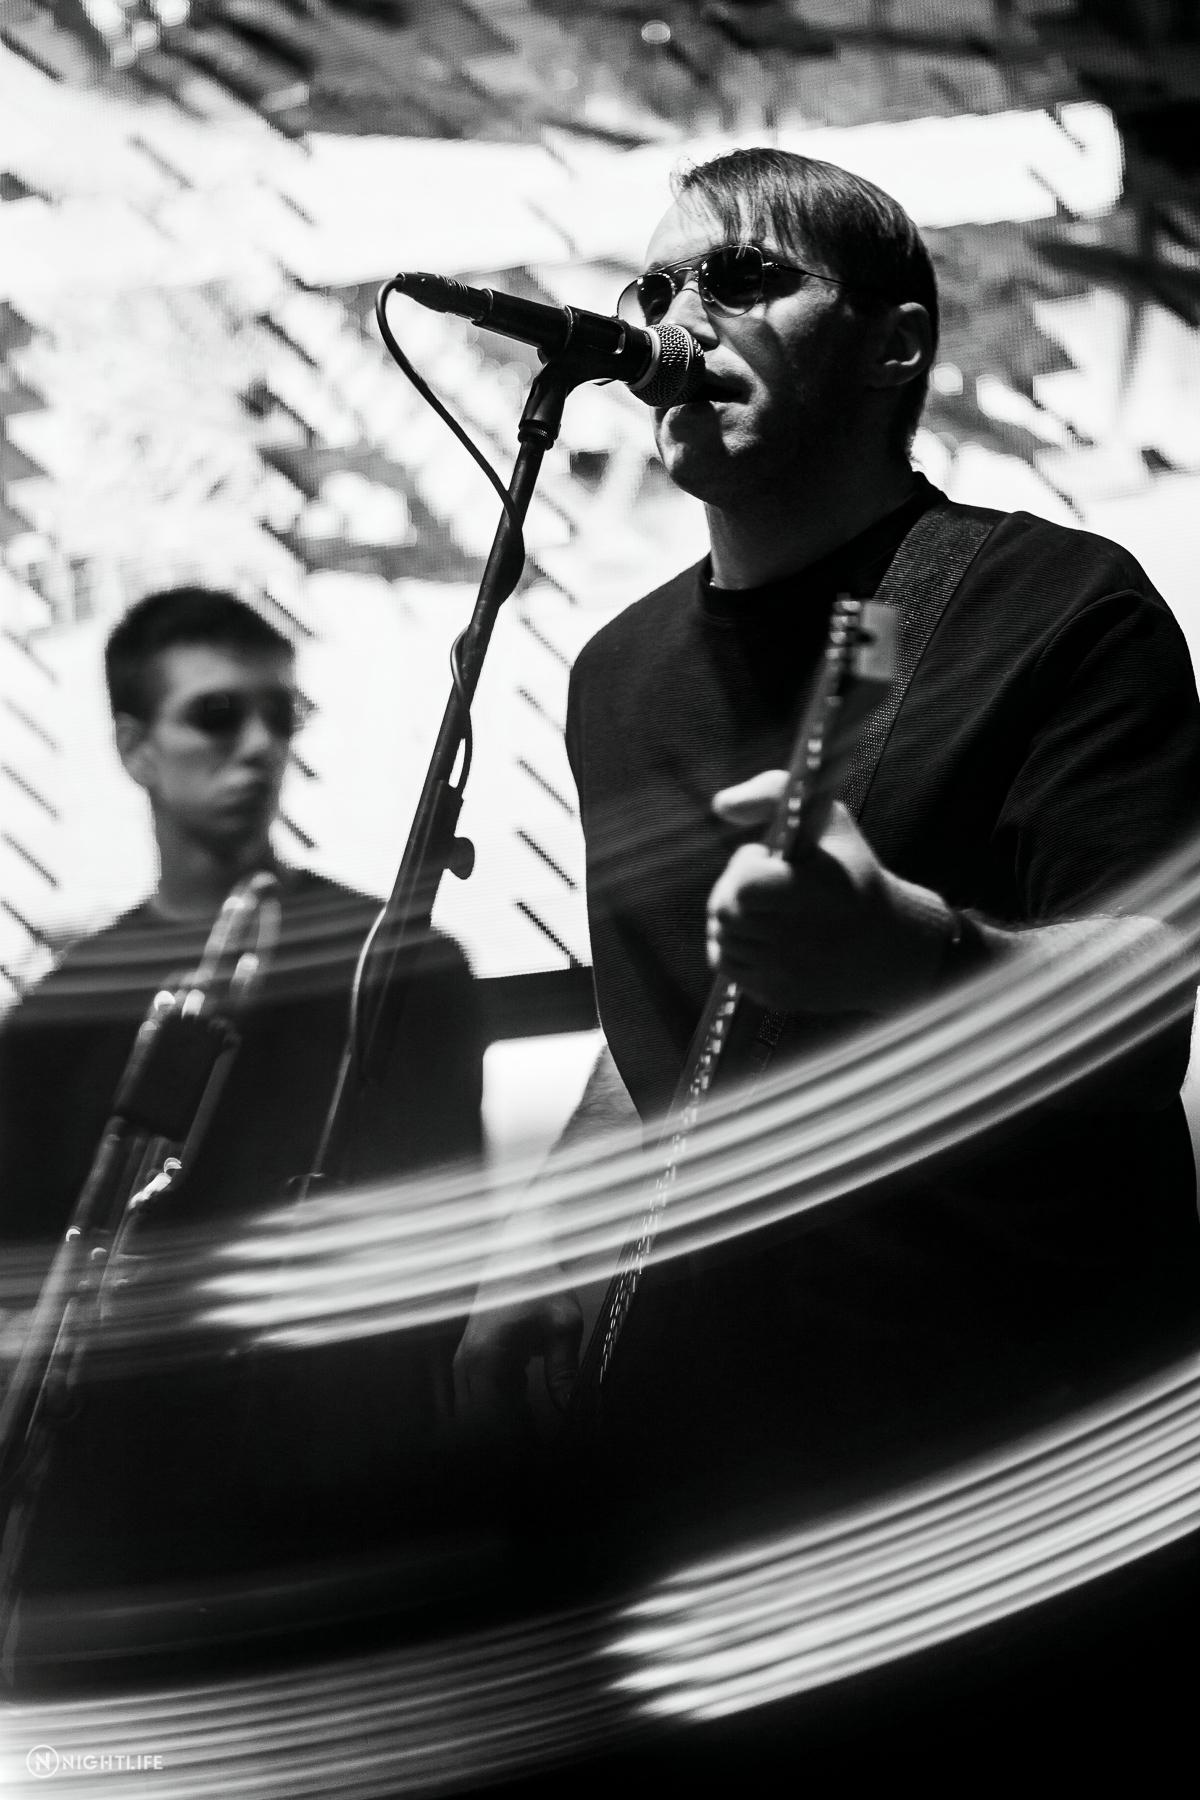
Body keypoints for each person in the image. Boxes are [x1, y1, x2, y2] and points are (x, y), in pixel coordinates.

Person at [455, 148, 1200, 1569]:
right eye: (656, 288)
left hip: (1019, 1451)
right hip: (720, 1471)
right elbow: (663, 1022)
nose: (680, 317)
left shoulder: (1056, 606)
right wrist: (538, 1242)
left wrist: (915, 952)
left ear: (894, 344)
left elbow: (1149, 988)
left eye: (743, 277)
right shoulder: (617, 675)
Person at [0, 587, 484, 1681]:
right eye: (218, 716)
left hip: (352, 1511)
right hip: (127, 1528)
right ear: (135, 746)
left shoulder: (406, 969)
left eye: (281, 714)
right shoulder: (58, 1013)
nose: (260, 747)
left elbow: (445, 1260)